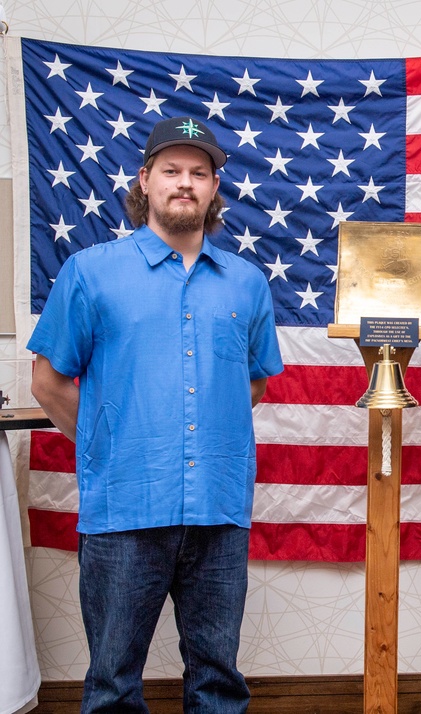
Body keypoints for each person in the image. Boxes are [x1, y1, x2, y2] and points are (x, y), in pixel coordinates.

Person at [29, 116, 283, 713]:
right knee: (114, 682)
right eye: (171, 170)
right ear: (145, 180)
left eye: (200, 173)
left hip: (218, 511)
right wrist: (107, 442)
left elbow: (253, 382)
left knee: (218, 681)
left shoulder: (245, 283)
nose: (185, 183)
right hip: (124, 508)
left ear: (215, 187)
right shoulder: (91, 272)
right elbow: (48, 380)